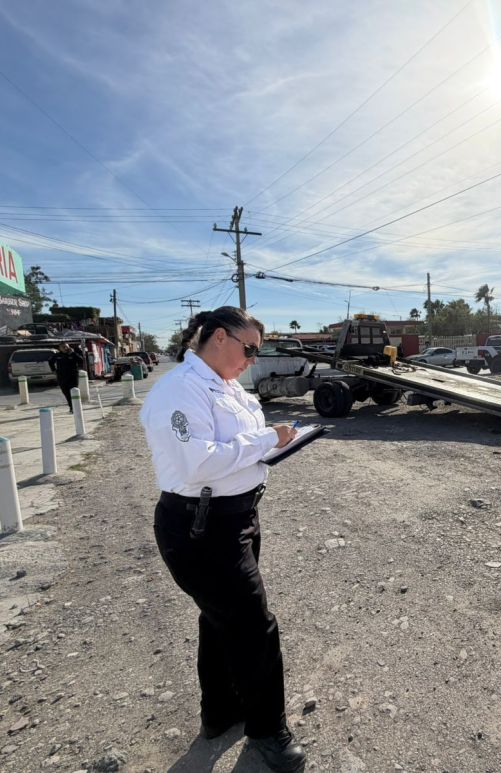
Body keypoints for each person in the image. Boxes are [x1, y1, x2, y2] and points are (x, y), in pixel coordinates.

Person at [139, 306, 306, 773]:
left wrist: (274, 443)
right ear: (217, 337)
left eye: (257, 352)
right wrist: (268, 440)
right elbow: (198, 462)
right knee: (254, 626)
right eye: (248, 349)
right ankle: (268, 732)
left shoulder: (227, 386)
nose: (253, 359)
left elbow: (238, 447)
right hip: (201, 528)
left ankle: (221, 711)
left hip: (236, 518)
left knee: (219, 620)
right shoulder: (179, 389)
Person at [49, 342, 84, 412]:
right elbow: (50, 361)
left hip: (73, 376)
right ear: (60, 348)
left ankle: (75, 407)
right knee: (66, 393)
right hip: (62, 377)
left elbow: (81, 360)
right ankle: (71, 407)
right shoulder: (57, 355)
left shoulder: (73, 354)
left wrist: (73, 353)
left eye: (66, 346)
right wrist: (53, 370)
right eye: (63, 347)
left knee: (73, 391)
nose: (65, 348)